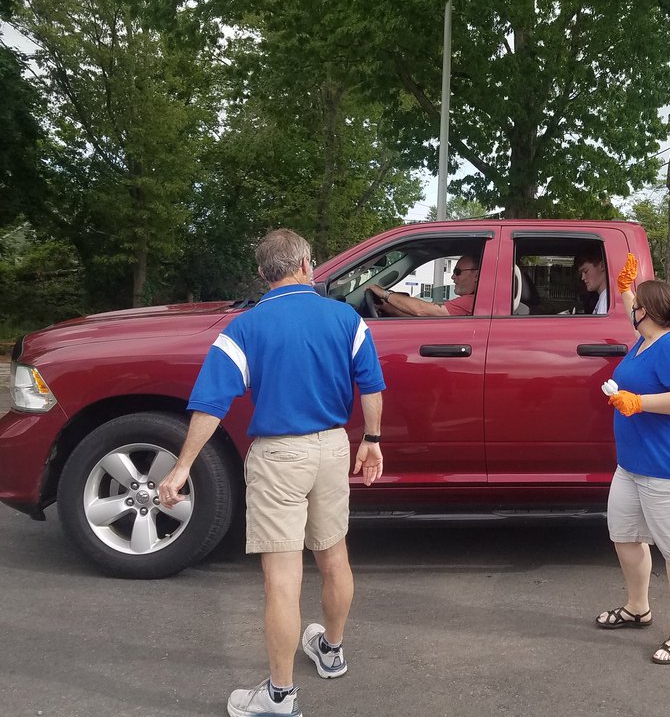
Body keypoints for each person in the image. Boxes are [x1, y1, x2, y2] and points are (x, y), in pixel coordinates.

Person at [159, 229, 386, 717]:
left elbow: (210, 404)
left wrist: (181, 468)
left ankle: (279, 698)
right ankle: (332, 649)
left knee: (282, 581)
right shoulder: (346, 317)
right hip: (332, 449)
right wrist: (371, 441)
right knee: (334, 558)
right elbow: (370, 384)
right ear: (307, 264)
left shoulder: (245, 327)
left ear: (263, 275)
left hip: (279, 457)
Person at [595, 255, 670, 665]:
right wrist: (626, 282)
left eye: (633, 302)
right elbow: (635, 299)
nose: (629, 305)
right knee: (625, 536)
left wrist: (637, 402)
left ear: (644, 312)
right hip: (633, 465)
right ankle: (637, 608)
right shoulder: (646, 336)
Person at [367, 254, 478, 317]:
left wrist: (385, 294)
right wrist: (392, 310)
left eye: (457, 272)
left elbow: (421, 309)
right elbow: (428, 314)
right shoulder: (472, 302)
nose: (452, 277)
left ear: (477, 275)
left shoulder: (471, 301)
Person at [574, 249, 608, 314]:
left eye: (586, 271)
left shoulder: (606, 300)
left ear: (602, 266)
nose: (582, 278)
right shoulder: (604, 298)